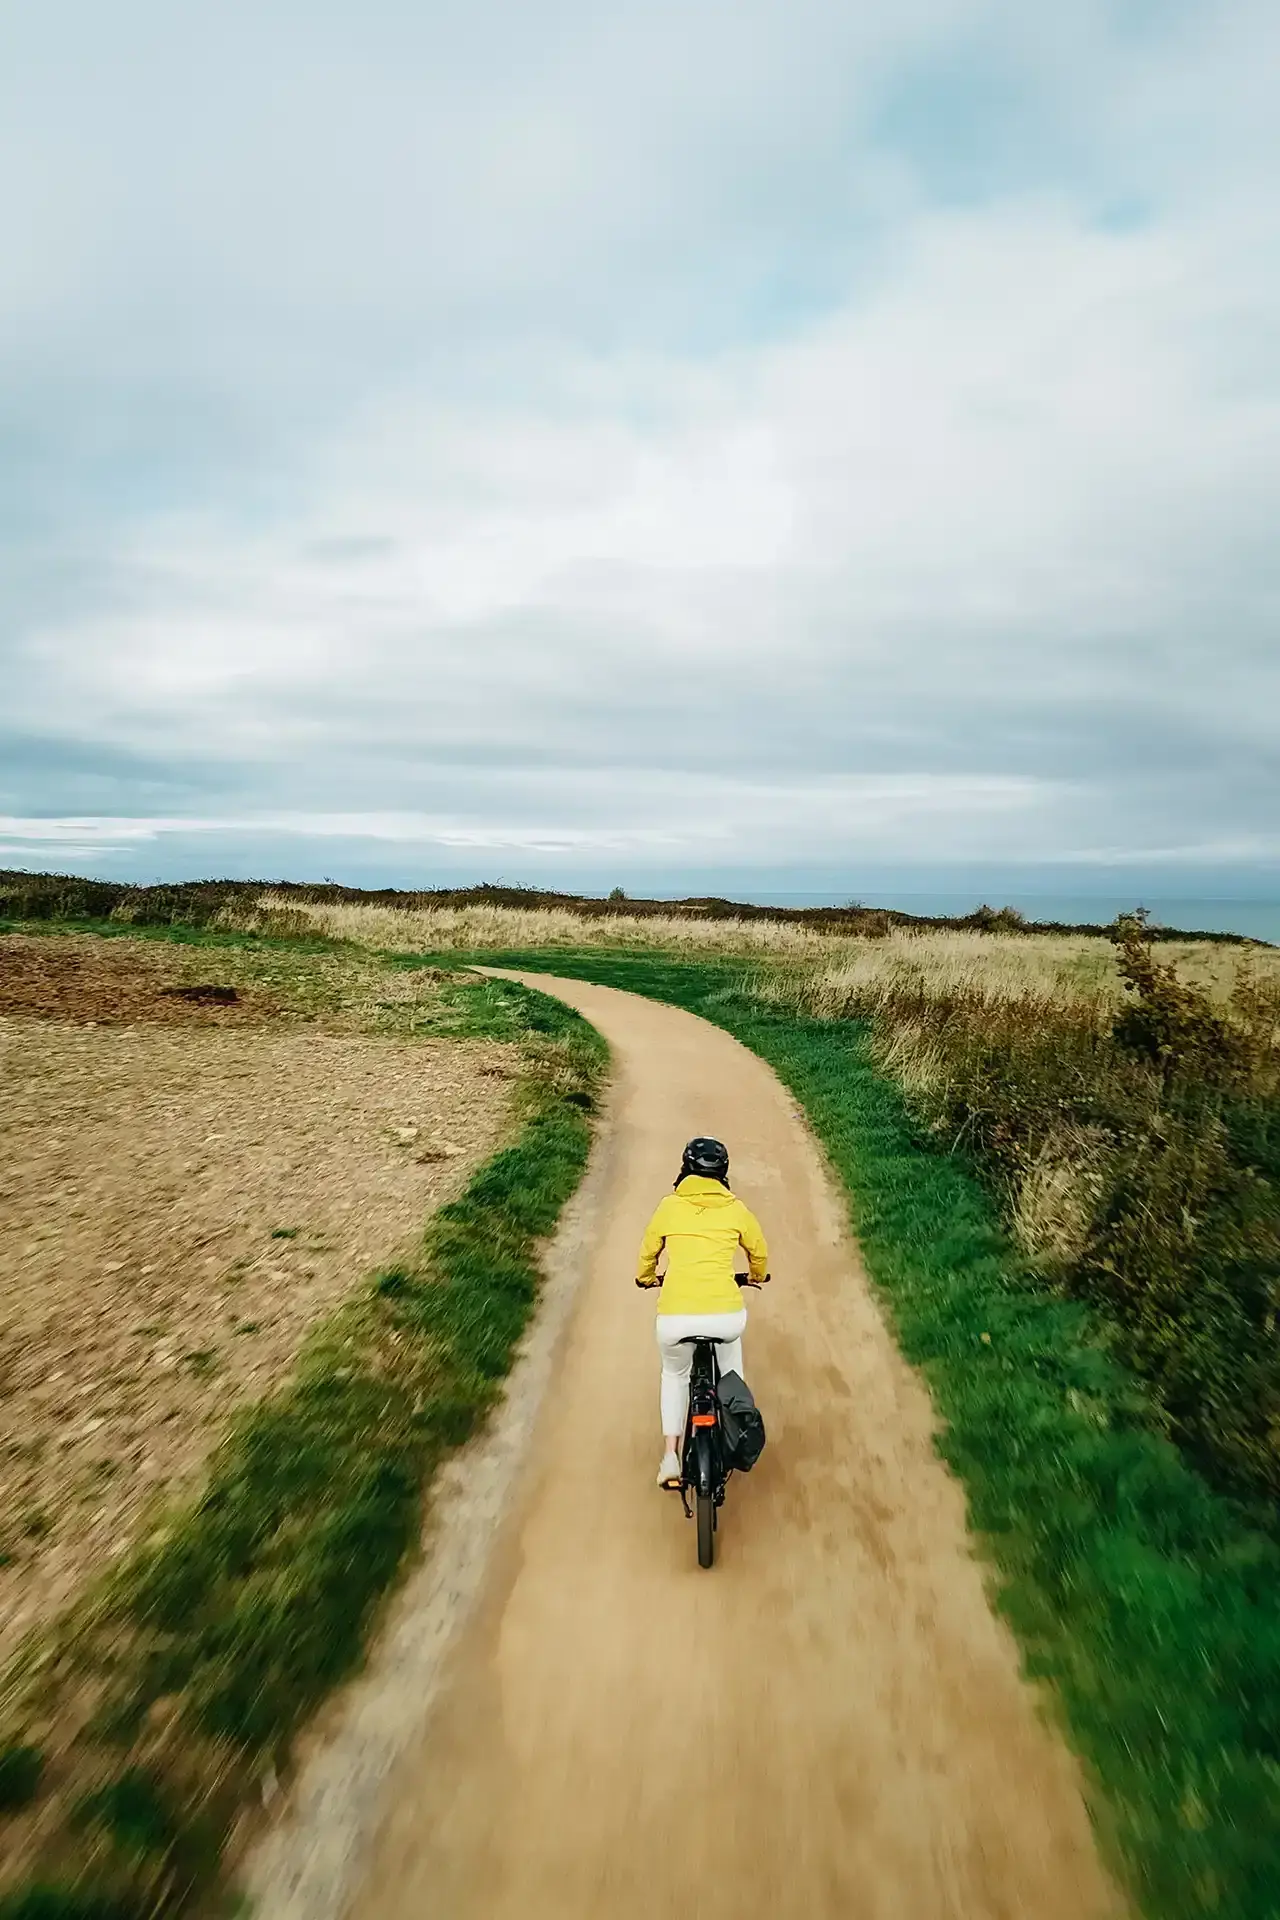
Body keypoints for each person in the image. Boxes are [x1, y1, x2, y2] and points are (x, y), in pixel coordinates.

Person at [635, 1137, 768, 1488]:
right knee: (730, 1370)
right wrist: (755, 1276)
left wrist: (647, 1278)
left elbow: (648, 1253)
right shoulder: (736, 1208)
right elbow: (759, 1251)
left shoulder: (669, 1207)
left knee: (675, 1375)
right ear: (723, 1173)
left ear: (685, 1169)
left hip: (675, 1318)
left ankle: (670, 1457)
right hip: (725, 1317)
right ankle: (735, 1428)